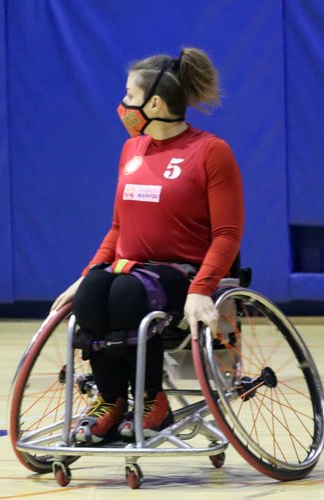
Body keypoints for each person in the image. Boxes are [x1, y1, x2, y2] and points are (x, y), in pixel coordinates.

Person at [51, 47, 244, 445]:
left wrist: (202, 290)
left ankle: (151, 400)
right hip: (132, 267)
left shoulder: (210, 151)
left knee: (127, 292)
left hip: (182, 273)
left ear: (154, 103)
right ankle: (110, 401)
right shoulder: (131, 151)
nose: (122, 105)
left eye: (129, 96)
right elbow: (119, 227)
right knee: (91, 293)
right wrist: (86, 274)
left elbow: (227, 234)